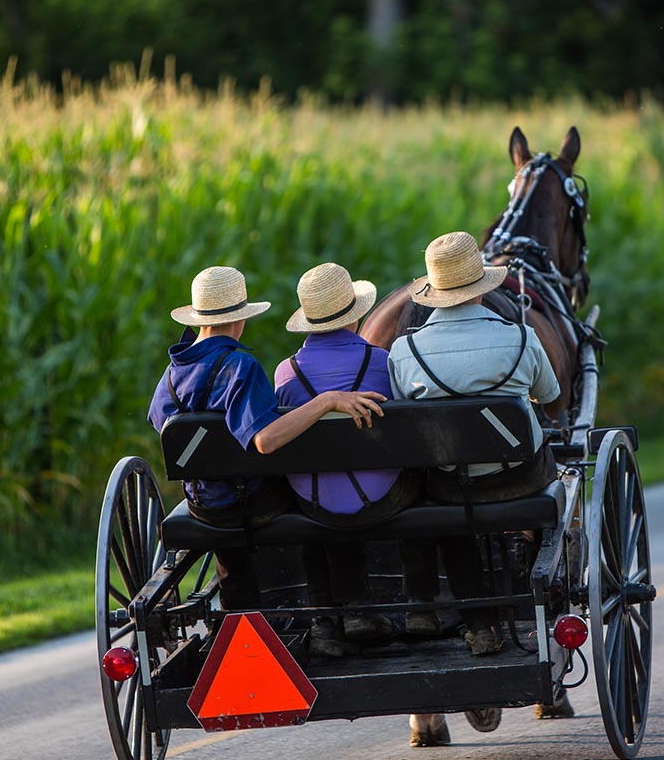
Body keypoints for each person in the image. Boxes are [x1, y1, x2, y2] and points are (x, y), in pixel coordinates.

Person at [148, 265, 385, 610]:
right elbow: (265, 440)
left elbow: (160, 422)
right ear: (239, 318)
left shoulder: (172, 373)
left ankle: (247, 613)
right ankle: (328, 610)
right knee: (306, 495)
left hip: (204, 504)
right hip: (251, 503)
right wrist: (326, 401)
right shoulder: (239, 367)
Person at [387, 232, 562, 657]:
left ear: (432, 293)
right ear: (484, 286)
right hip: (521, 478)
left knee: (447, 505)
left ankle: (481, 626)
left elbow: (402, 417)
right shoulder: (521, 337)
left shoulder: (405, 350)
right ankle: (542, 580)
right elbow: (550, 398)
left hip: (451, 482)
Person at [274, 263, 420, 656]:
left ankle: (330, 619)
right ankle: (421, 603)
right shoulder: (381, 361)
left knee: (317, 493)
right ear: (355, 314)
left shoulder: (286, 374)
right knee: (420, 480)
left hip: (316, 500)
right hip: (381, 497)